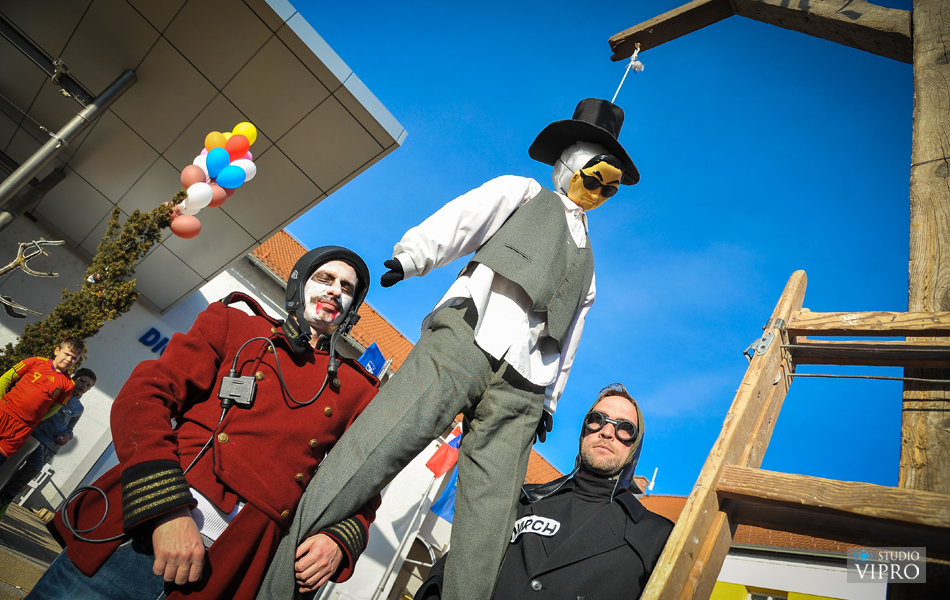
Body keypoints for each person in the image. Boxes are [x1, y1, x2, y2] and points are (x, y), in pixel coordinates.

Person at [259, 98, 640, 600]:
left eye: (609, 188)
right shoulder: (524, 192)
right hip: (465, 337)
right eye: (596, 178)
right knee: (372, 451)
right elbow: (465, 218)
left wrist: (549, 400)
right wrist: (412, 255)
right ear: (570, 164)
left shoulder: (589, 262)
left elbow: (572, 333)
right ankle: (277, 589)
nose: (600, 191)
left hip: (524, 384)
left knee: (490, 516)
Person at [29, 246, 382, 600]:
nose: (335, 290)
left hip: (230, 570)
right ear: (298, 284)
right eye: (325, 278)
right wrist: (166, 508)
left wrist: (338, 539)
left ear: (351, 310)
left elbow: (363, 486)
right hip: (142, 533)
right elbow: (144, 398)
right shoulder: (234, 324)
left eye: (347, 288)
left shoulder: (358, 389)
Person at [417, 383, 674, 600]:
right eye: (597, 420)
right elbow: (455, 565)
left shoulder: (656, 537)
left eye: (625, 428)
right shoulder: (522, 500)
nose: (607, 431)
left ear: (634, 446)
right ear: (584, 431)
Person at [0, 368, 97, 521]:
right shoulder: (58, 392)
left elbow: (70, 428)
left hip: (49, 444)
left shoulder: (78, 409)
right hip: (32, 436)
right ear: (74, 378)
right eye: (82, 381)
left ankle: (5, 499)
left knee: (31, 470)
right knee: (14, 466)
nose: (83, 386)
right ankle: (4, 495)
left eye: (88, 385)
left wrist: (67, 435)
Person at [0, 337, 83, 467]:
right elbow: (5, 379)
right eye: (66, 354)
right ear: (57, 351)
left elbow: (53, 409)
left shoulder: (68, 384)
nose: (69, 359)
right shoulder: (36, 361)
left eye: (74, 358)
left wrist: (33, 419)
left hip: (22, 428)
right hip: (4, 413)